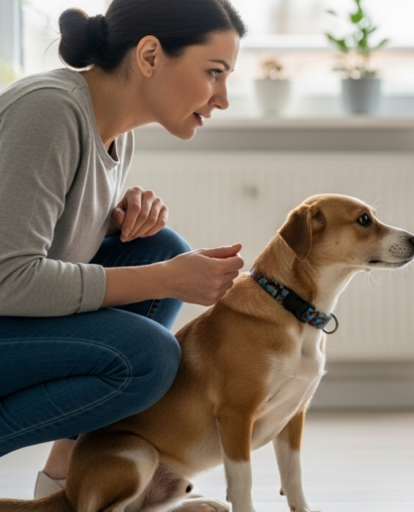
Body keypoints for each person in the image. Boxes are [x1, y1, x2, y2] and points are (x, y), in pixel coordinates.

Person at [0, 0, 247, 498]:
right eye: (214, 73)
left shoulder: (115, 132)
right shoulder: (49, 110)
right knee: (148, 356)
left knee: (157, 245)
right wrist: (165, 278)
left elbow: (45, 239)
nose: (222, 98)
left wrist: (114, 223)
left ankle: (63, 481)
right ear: (150, 56)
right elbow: (10, 280)